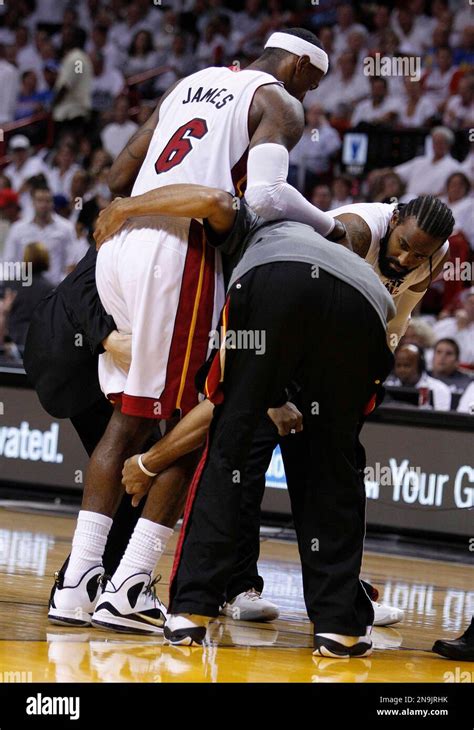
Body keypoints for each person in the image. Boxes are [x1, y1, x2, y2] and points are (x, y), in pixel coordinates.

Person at [48, 28, 348, 632]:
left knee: (129, 419)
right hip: (180, 257)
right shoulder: (278, 102)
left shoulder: (190, 82)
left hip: (121, 247)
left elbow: (115, 178)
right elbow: (265, 194)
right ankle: (129, 583)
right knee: (191, 418)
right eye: (310, 82)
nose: (308, 97)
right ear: (295, 64)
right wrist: (330, 229)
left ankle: (79, 584)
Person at [154, 190, 395, 656]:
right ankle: (340, 626)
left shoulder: (254, 227)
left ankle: (192, 612)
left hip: (274, 283)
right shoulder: (340, 244)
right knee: (335, 466)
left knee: (230, 447)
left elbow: (218, 203)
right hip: (366, 303)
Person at [2, 186, 77, 285]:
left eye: (48, 201)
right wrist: (14, 286)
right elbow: (9, 261)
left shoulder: (66, 228)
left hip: (55, 287)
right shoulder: (18, 229)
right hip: (25, 287)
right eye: (39, 200)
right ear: (32, 203)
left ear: (52, 203)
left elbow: (71, 261)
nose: (43, 205)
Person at [385, 344, 452, 411]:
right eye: (398, 365)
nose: (402, 370)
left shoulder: (439, 389)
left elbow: (441, 418)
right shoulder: (386, 387)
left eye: (407, 365)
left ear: (420, 366)